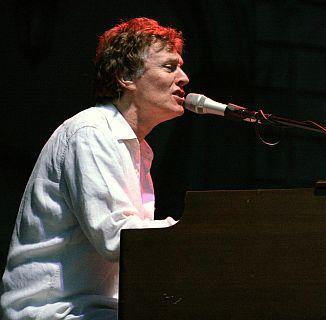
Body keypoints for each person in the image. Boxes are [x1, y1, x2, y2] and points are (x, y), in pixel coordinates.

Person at [1, 17, 190, 320]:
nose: (184, 78)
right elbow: (117, 238)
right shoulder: (91, 132)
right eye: (170, 67)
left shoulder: (136, 149)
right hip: (54, 312)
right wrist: (195, 233)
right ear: (126, 76)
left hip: (96, 311)